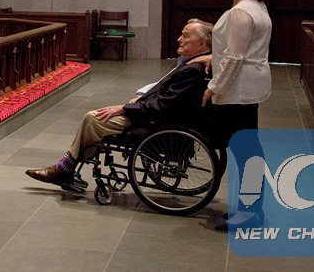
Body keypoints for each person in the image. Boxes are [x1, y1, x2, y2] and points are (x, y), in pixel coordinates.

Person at [24, 19, 213, 188]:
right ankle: (68, 166)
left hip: (156, 121)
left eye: (185, 36)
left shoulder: (193, 70)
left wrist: (125, 109)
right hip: (159, 115)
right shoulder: (195, 64)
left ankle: (65, 168)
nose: (179, 39)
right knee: (99, 117)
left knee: (93, 118)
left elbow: (164, 105)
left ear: (202, 43)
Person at [201, 0, 272, 230]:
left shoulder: (241, 12)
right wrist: (212, 58)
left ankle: (250, 213)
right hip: (249, 87)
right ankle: (251, 209)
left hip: (238, 90)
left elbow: (234, 58)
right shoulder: (258, 7)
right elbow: (241, 50)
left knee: (246, 153)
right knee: (249, 151)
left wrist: (213, 87)